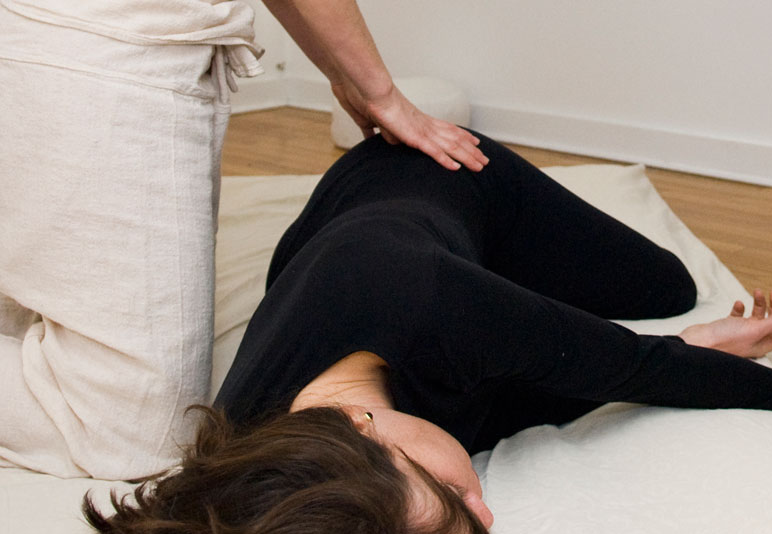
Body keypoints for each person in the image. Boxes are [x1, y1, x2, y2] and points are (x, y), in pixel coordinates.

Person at [79, 132, 772, 534]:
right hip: (344, 251)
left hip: (437, 175)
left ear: (366, 428)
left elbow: (630, 363)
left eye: (458, 496)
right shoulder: (261, 483)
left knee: (663, 288)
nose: (486, 508)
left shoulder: (432, 302)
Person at [0, 0, 483, 480]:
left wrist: (345, 75)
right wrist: (382, 94)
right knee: (136, 434)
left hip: (90, 41)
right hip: (95, 47)